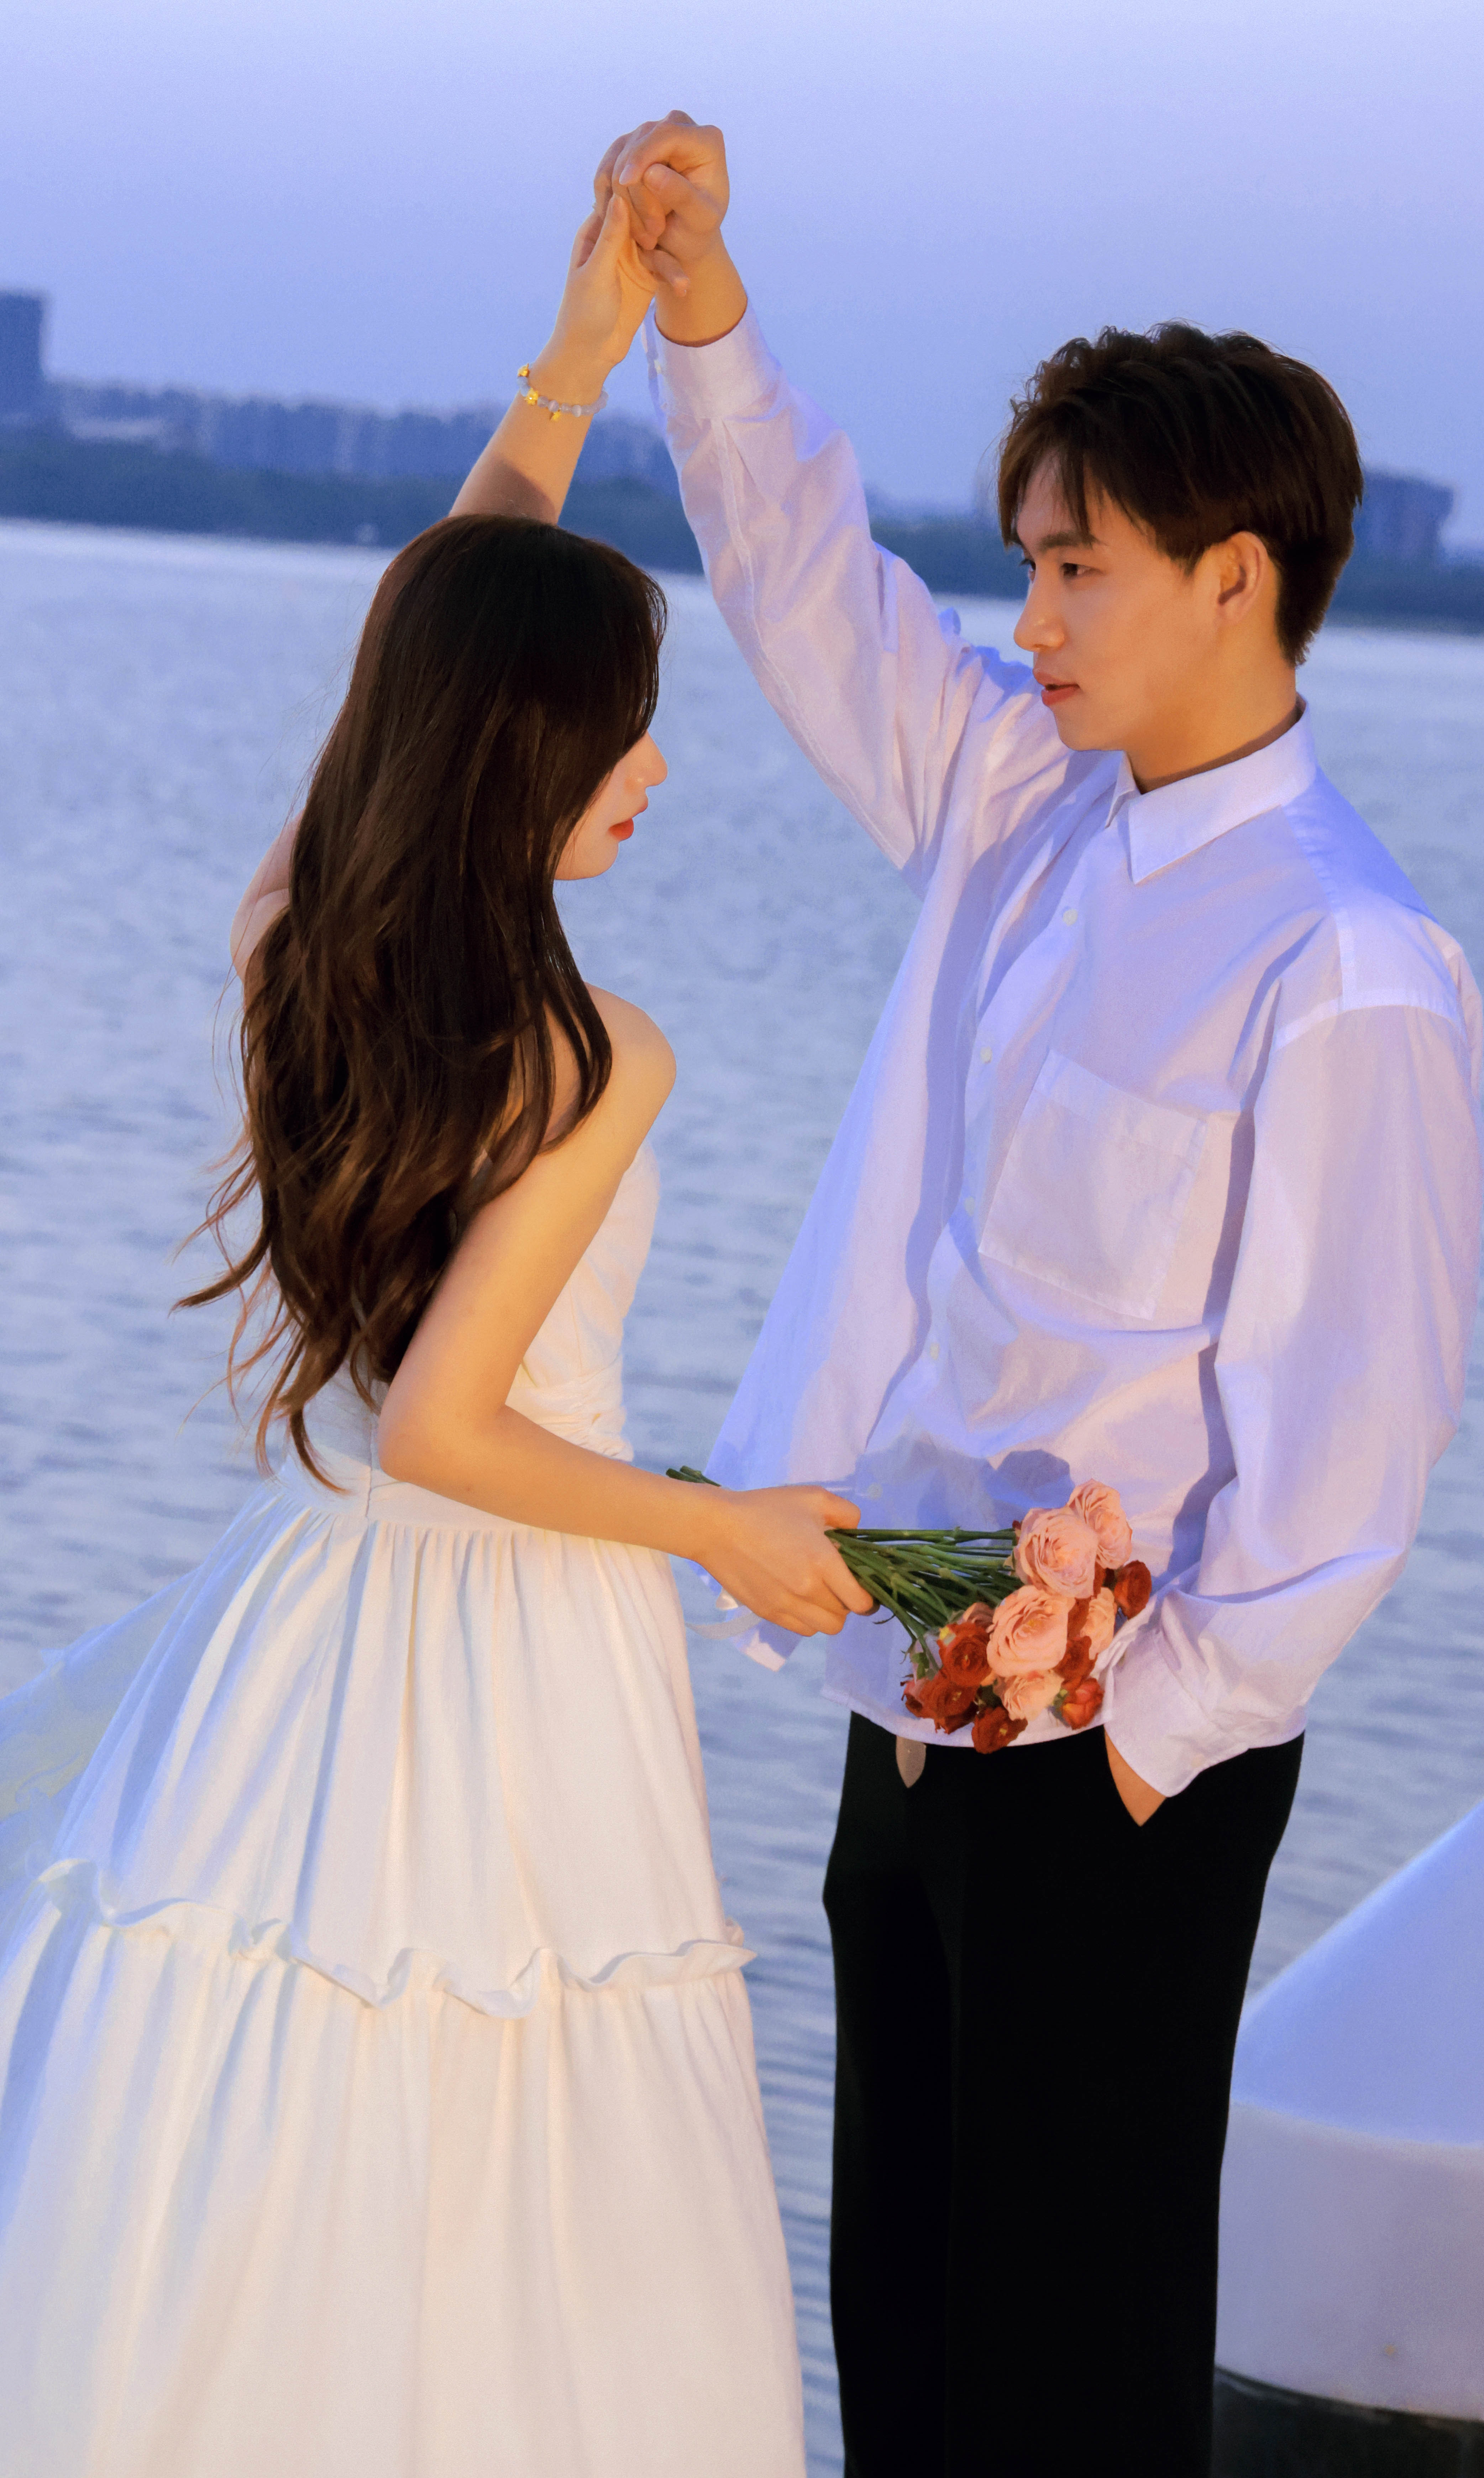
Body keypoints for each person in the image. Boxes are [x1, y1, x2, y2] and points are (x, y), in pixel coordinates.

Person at [583, 115, 1484, 2478]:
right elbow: (815, 592)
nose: (1039, 621)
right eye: (1031, 568)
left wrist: (1151, 1740)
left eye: (1082, 570)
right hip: (898, 1670)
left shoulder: (1349, 958)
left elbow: (1351, 1450)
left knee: (1073, 2378)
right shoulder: (1021, 804)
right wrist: (703, 312)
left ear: (1237, 580)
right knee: (904, 2330)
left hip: (1125, 1758)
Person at [0, 192, 869, 2477]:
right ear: (523, 759)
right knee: (515, 2118)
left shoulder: (299, 936)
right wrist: (725, 1529)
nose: (653, 773)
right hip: (507, 1638)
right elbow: (451, 1434)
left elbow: (419, 654)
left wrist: (570, 371)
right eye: (625, 738)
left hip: (301, 1627)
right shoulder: (593, 1057)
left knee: (293, 2094)